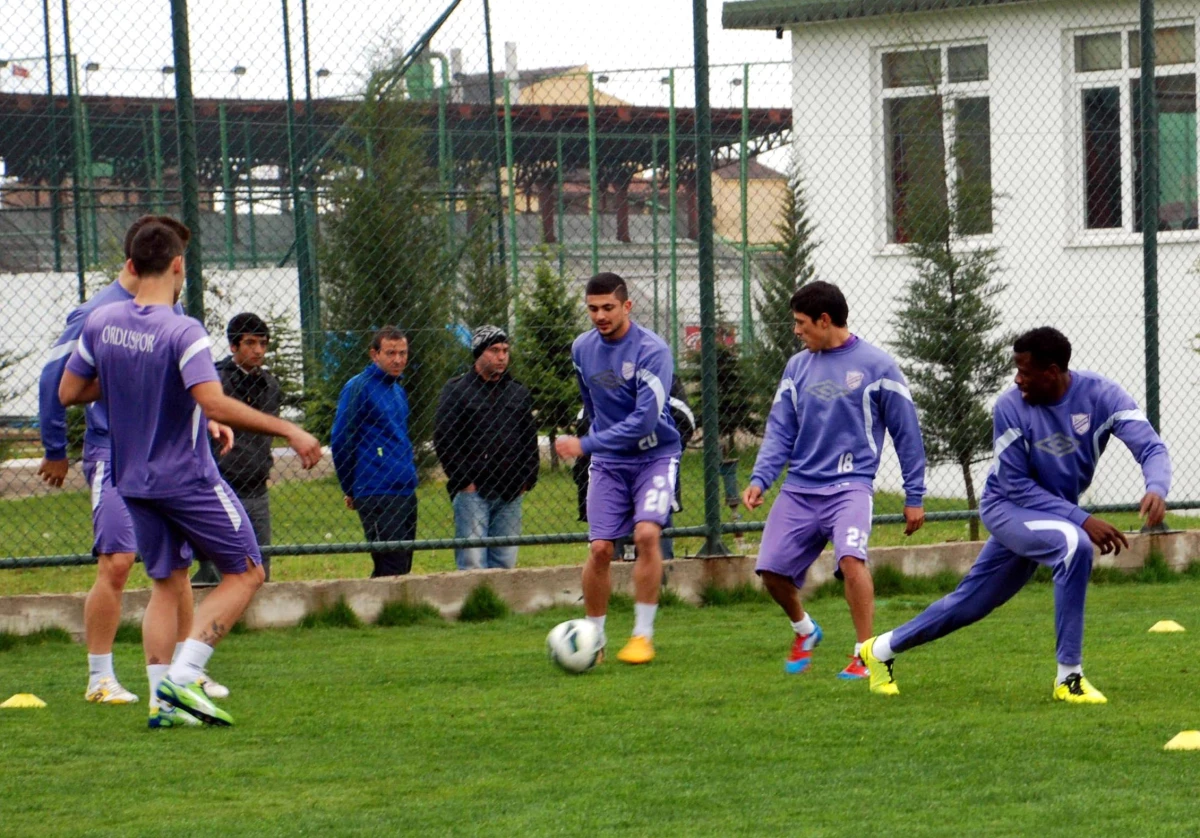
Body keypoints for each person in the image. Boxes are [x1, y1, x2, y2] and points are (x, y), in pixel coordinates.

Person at [59, 218, 321, 728]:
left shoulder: (101, 322)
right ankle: (184, 677)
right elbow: (213, 400)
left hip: (131, 477)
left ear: (132, 266)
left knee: (165, 580)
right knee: (248, 571)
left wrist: (132, 383)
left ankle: (162, 702)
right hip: (187, 478)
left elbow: (70, 391)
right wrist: (289, 431)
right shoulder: (184, 329)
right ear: (179, 265)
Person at [861, 327, 1171, 704]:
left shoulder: (1101, 395)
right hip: (1008, 506)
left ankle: (879, 650)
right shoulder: (1010, 407)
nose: (1016, 379)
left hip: (1048, 514)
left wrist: (1156, 487)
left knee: (969, 604)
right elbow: (1016, 485)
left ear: (1052, 372)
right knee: (1074, 546)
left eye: (1024, 371)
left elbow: (1151, 446)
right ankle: (1069, 678)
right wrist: (1081, 519)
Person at [37, 214, 229, 705]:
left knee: (174, 569)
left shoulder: (171, 306)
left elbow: (173, 380)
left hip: (163, 455)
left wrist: (205, 417)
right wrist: (55, 449)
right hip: (113, 451)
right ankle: (100, 676)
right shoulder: (96, 313)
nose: (177, 271)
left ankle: (183, 673)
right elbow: (54, 382)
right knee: (118, 561)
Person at [742, 281, 927, 679]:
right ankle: (804, 630)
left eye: (801, 323)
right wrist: (761, 478)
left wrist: (915, 494)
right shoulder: (797, 367)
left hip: (850, 487)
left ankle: (866, 655)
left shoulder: (878, 366)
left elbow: (907, 434)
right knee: (770, 572)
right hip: (800, 488)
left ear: (825, 321)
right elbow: (779, 431)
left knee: (851, 560)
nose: (796, 330)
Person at [554, 272, 681, 665]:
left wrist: (586, 444)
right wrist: (596, 440)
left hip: (656, 456)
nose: (600, 315)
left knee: (646, 534)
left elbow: (645, 421)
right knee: (599, 548)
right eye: (592, 309)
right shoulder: (582, 349)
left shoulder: (652, 351)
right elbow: (590, 402)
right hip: (609, 463)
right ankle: (595, 638)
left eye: (608, 307)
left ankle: (642, 636)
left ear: (627, 306)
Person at [434, 325, 539, 570]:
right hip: (474, 492)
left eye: (505, 350)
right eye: (494, 350)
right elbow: (444, 438)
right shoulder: (457, 391)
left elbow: (529, 439)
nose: (502, 356)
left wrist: (527, 479)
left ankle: (500, 606)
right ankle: (475, 605)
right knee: (472, 560)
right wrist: (464, 481)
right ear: (479, 353)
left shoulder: (518, 392)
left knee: (505, 559)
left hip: (511, 491)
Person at [193, 313, 282, 585]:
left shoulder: (270, 385)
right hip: (223, 484)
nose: (258, 350)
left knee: (260, 566)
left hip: (257, 486)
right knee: (224, 567)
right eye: (250, 343)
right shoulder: (216, 382)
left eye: (263, 344)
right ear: (234, 346)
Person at [572, 374, 695, 559]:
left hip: (652, 474)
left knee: (654, 547)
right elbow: (585, 422)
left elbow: (684, 419)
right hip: (613, 479)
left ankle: (659, 587)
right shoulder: (602, 373)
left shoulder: (658, 369)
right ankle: (616, 586)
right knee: (605, 552)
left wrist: (657, 451)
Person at [332, 326, 419, 577]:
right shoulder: (358, 388)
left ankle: (397, 613)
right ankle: (381, 613)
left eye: (403, 353)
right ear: (374, 354)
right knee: (388, 567)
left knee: (403, 565)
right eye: (391, 353)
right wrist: (351, 487)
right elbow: (341, 439)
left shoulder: (397, 390)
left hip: (404, 489)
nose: (398, 359)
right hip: (376, 490)